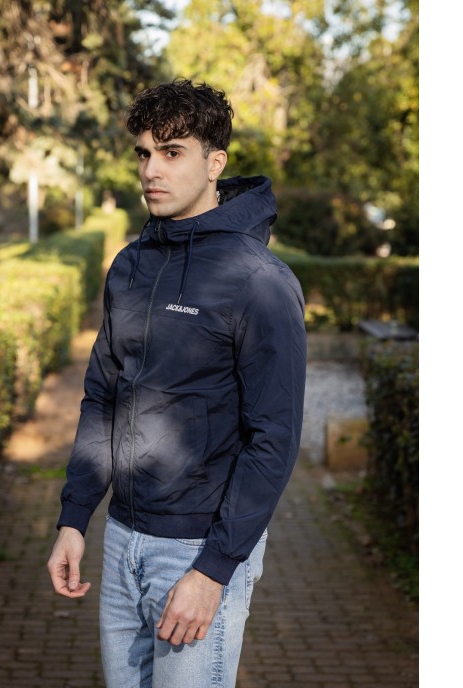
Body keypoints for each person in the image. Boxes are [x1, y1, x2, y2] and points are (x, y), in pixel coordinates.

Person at [47, 77, 307, 688]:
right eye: (144, 153)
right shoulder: (130, 266)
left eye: (172, 152)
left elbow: (273, 439)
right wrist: (74, 518)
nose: (151, 170)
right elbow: (102, 398)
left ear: (215, 163)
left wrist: (213, 570)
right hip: (122, 539)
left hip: (196, 551)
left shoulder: (259, 282)